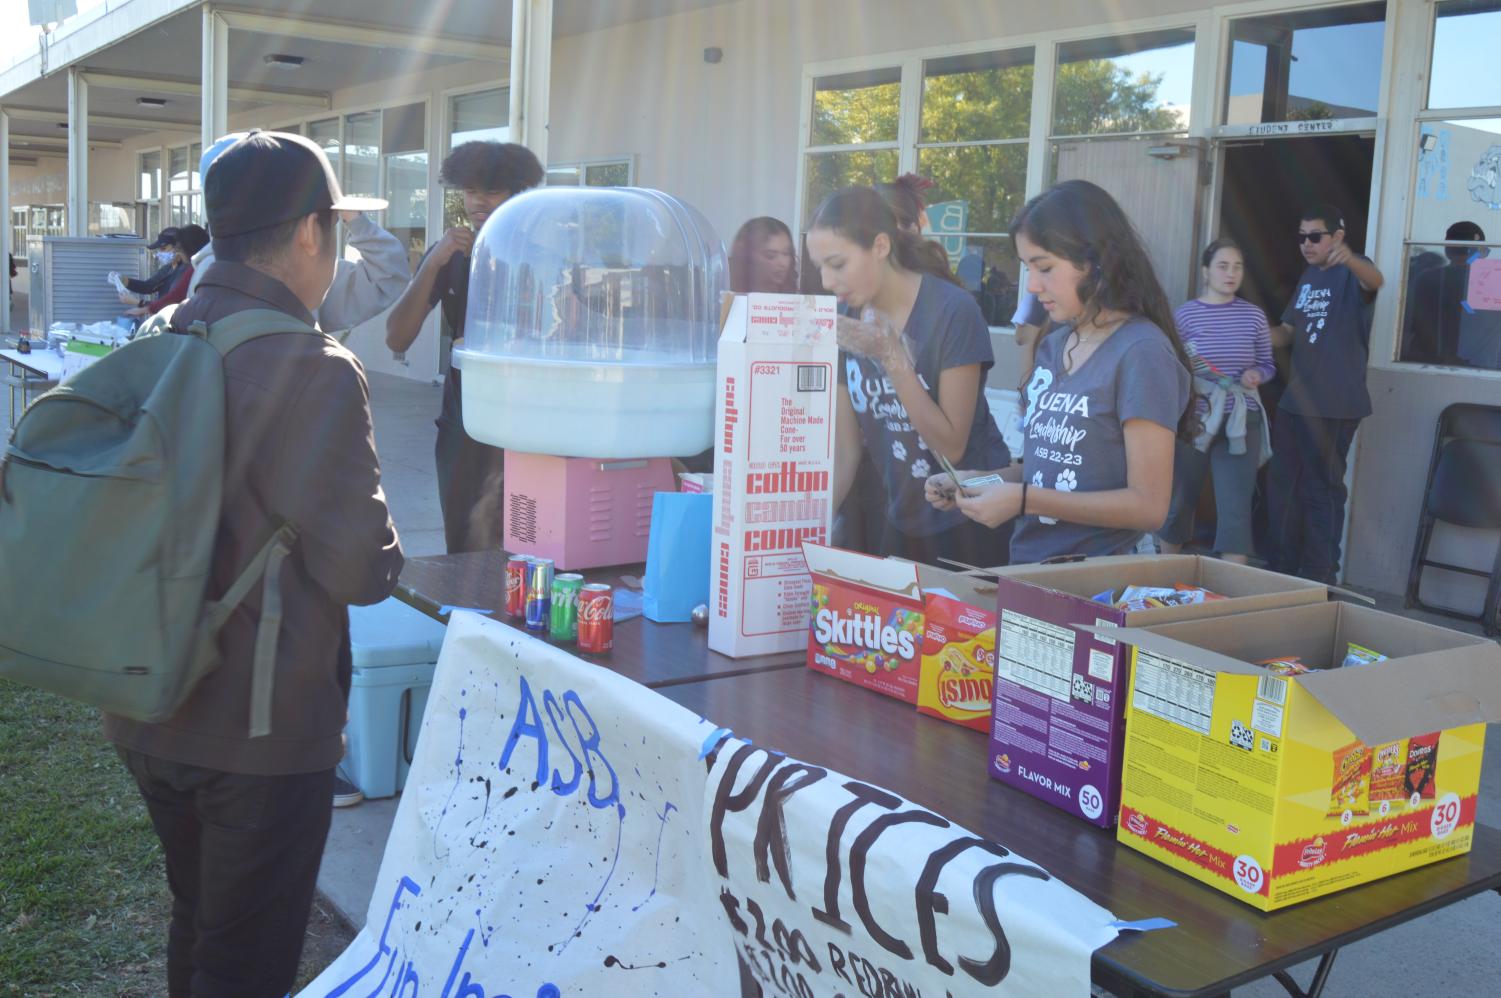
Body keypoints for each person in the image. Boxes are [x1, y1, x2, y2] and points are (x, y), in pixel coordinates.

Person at [103, 130, 404, 998]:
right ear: (310, 232)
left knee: (199, 918)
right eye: (336, 228)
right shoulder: (311, 365)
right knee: (246, 958)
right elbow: (359, 570)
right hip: (260, 727)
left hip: (145, 695)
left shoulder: (159, 329)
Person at [925, 179, 1193, 564]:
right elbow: (1039, 473)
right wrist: (972, 481)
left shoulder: (1142, 353)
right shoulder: (1053, 344)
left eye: (1045, 267)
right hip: (1030, 574)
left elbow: (1149, 506)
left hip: (1097, 586)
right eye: (1026, 269)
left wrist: (1022, 501)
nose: (1032, 286)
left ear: (1096, 261)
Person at [808, 186, 1012, 567]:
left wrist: (890, 354)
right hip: (902, 519)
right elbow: (845, 450)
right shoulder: (849, 317)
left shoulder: (953, 311)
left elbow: (950, 445)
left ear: (881, 246)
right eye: (819, 266)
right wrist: (807, 529)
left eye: (837, 264)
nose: (826, 282)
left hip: (970, 518)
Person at [385, 140, 545, 554]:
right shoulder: (450, 254)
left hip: (528, 418)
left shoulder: (539, 257)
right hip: (464, 421)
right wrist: (433, 262)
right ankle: (465, 616)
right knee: (463, 538)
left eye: (490, 191)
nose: (478, 202)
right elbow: (397, 337)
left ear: (516, 192)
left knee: (529, 538)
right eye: (470, 191)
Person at [189, 133, 412, 333]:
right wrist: (348, 214)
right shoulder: (300, 278)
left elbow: (387, 276)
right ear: (310, 232)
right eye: (331, 223)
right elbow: (388, 276)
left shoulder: (210, 282)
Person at [1266, 203, 1384, 583]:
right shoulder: (1308, 276)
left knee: (1322, 489)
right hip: (1295, 403)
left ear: (1337, 237)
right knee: (1283, 485)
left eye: (1315, 236)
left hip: (1335, 405)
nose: (1306, 244)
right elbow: (1288, 332)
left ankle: (1320, 576)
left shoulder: (1354, 270)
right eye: (1302, 237)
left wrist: (1349, 259)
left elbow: (1376, 281)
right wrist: (1248, 332)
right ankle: (1282, 568)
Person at [1157, 239, 1275, 565]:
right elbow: (1172, 365)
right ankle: (1162, 577)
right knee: (1180, 499)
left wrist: (1257, 374)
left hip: (1241, 419)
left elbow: (1268, 363)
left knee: (1236, 509)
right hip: (1196, 418)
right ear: (1206, 272)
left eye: (1237, 267)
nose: (1231, 273)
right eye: (1223, 266)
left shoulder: (1253, 316)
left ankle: (1228, 598)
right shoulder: (1185, 315)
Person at [124, 224, 210, 319]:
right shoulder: (171, 267)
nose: (160, 253)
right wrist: (124, 281)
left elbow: (175, 297)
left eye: (179, 248)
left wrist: (142, 305)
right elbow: (149, 285)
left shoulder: (193, 267)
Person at [728, 216, 798, 293]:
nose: (782, 263)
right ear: (749, 258)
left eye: (786, 253)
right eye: (770, 255)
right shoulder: (731, 298)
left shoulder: (796, 297)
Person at [118, 228, 183, 306]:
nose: (160, 253)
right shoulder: (169, 268)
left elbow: (169, 306)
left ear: (177, 247)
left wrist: (138, 302)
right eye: (159, 250)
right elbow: (147, 286)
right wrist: (122, 279)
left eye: (163, 249)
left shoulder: (184, 271)